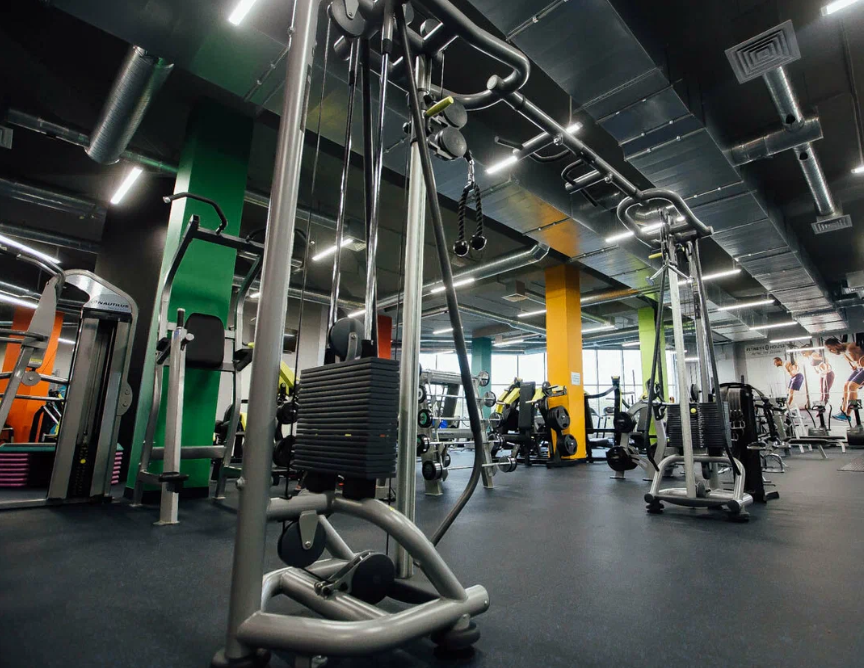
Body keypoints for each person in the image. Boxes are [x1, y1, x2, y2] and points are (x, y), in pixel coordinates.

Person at [824, 337, 864, 421]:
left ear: (837, 345)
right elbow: (854, 362)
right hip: (859, 368)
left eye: (831, 348)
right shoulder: (844, 350)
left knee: (851, 387)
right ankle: (843, 411)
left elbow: (856, 358)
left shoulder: (850, 347)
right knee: (846, 386)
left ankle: (847, 415)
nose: (831, 351)